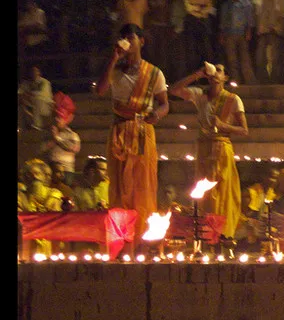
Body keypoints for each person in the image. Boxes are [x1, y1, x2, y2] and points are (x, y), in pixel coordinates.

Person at [95, 24, 169, 236]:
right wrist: (113, 59)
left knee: (142, 184)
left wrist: (158, 114)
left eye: (131, 38)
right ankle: (121, 236)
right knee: (118, 185)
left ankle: (143, 235)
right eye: (123, 39)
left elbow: (164, 103)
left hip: (142, 132)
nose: (127, 42)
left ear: (141, 41)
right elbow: (100, 91)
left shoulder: (154, 73)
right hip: (119, 131)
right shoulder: (115, 70)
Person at [168, 63, 248, 239]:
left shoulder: (233, 99)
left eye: (219, 70)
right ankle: (206, 235)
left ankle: (223, 235)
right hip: (204, 149)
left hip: (222, 148)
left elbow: (244, 130)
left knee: (223, 193)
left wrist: (223, 125)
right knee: (205, 193)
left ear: (225, 77)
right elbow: (174, 90)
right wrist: (197, 75)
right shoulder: (200, 95)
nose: (215, 73)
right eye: (214, 70)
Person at [217, 0, 256, 85]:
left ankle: (249, 81)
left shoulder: (246, 3)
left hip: (242, 33)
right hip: (229, 34)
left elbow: (249, 19)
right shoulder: (226, 5)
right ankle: (236, 79)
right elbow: (223, 21)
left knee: (245, 58)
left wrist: (248, 31)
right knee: (232, 59)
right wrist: (222, 35)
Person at [42, 92, 81, 178]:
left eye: (59, 117)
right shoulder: (48, 133)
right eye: (55, 116)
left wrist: (57, 138)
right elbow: (42, 149)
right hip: (50, 171)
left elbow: (74, 148)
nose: (56, 119)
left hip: (66, 172)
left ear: (66, 119)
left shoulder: (72, 135)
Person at [255, 0, 284, 83]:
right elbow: (260, 14)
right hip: (264, 31)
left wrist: (276, 28)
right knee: (260, 56)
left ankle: (275, 78)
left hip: (275, 31)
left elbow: (282, 15)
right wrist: (261, 28)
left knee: (274, 57)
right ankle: (263, 78)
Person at [182, 0, 214, 72]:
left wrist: (195, 5)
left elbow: (208, 7)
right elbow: (188, 8)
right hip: (191, 22)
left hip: (203, 22)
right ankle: (193, 74)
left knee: (205, 49)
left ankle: (207, 73)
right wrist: (200, 6)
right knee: (191, 49)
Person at [18, 64, 53, 132]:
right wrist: (24, 97)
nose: (33, 73)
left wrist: (29, 94)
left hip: (45, 105)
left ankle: (37, 125)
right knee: (21, 106)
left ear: (39, 72)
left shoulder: (45, 82)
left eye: (35, 71)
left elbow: (43, 95)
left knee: (37, 100)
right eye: (32, 71)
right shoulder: (26, 83)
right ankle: (21, 127)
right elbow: (20, 92)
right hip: (30, 105)